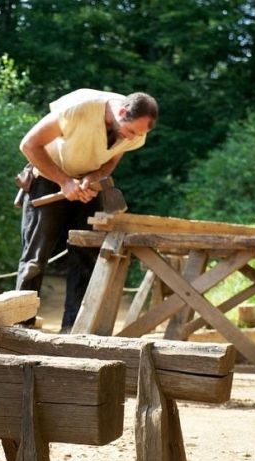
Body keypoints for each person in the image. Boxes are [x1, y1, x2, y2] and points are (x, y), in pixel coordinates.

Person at [15, 88, 158, 332]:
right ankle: (20, 323)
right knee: (35, 258)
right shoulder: (80, 109)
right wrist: (63, 182)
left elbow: (110, 162)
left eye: (138, 135)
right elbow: (29, 145)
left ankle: (73, 326)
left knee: (86, 254)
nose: (133, 138)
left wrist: (93, 178)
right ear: (122, 111)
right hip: (48, 178)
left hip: (85, 187)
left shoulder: (135, 134)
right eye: (131, 131)